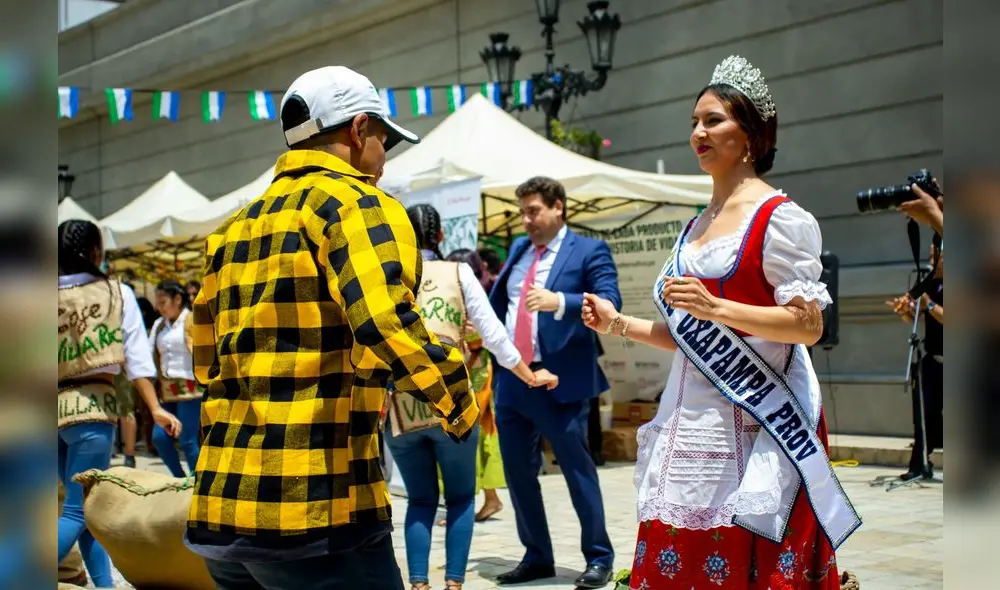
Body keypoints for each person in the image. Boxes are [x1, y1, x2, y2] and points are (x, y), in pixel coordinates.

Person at [184, 65, 477, 590]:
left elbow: (204, 360)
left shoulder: (231, 230)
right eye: (384, 139)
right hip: (317, 504)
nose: (384, 157)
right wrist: (458, 395)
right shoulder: (358, 204)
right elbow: (384, 321)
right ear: (359, 129)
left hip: (223, 507)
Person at [582, 55, 860, 589]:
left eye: (713, 120)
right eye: (693, 123)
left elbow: (807, 326)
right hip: (686, 428)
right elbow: (689, 339)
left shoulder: (780, 218)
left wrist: (719, 308)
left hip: (758, 428)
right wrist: (619, 324)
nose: (698, 133)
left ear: (750, 135)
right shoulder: (693, 226)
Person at [387, 206, 556, 590]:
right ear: (441, 236)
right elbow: (493, 335)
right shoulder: (458, 272)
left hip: (402, 409)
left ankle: (418, 584)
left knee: (420, 500)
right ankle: (453, 584)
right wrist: (527, 373)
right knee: (462, 498)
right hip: (452, 404)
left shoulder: (389, 278)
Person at [489, 176, 622, 588]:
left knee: (577, 470)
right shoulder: (517, 250)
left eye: (533, 211)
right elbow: (503, 304)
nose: (526, 220)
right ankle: (537, 556)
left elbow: (610, 303)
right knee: (517, 473)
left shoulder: (589, 250)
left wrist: (560, 302)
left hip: (558, 379)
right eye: (522, 213)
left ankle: (598, 557)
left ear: (558, 207)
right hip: (513, 379)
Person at [58, 219, 181, 588]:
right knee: (79, 511)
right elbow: (138, 358)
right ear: (97, 251)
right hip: (91, 410)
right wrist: (156, 407)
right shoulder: (117, 292)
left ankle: (104, 585)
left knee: (82, 508)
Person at [886, 241, 944, 480]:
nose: (932, 258)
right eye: (931, 254)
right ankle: (919, 464)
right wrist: (906, 310)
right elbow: (914, 317)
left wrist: (928, 303)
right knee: (925, 412)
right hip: (933, 357)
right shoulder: (928, 283)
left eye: (937, 255)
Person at [148, 279, 203, 477]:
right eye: (158, 302)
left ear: (178, 299)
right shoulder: (158, 325)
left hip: (190, 388)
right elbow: (148, 353)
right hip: (167, 391)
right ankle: (179, 479)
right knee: (159, 437)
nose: (158, 307)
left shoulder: (193, 320)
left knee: (188, 440)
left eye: (163, 302)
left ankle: (198, 484)